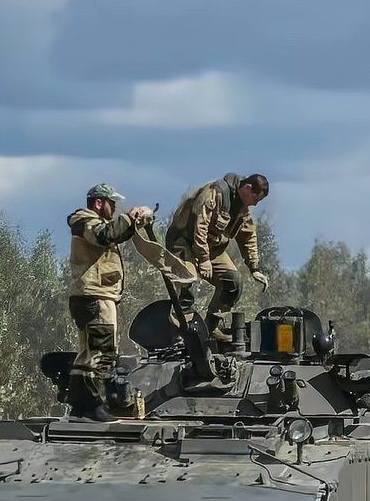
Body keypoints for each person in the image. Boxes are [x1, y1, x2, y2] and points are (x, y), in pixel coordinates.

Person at [66, 183, 153, 422]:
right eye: (111, 204)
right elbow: (105, 235)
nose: (114, 209)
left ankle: (80, 407)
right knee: (102, 352)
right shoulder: (86, 221)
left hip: (93, 295)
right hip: (96, 296)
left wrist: (136, 222)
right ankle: (93, 406)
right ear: (98, 203)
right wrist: (130, 217)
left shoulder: (92, 223)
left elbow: (117, 233)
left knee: (87, 354)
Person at [165, 173, 270, 338]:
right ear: (248, 188)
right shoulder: (215, 193)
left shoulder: (242, 209)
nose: (256, 204)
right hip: (184, 242)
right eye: (256, 199)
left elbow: (248, 236)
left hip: (212, 249)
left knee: (233, 282)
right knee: (188, 280)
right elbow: (199, 225)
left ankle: (210, 328)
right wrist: (204, 259)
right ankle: (182, 332)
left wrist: (254, 268)